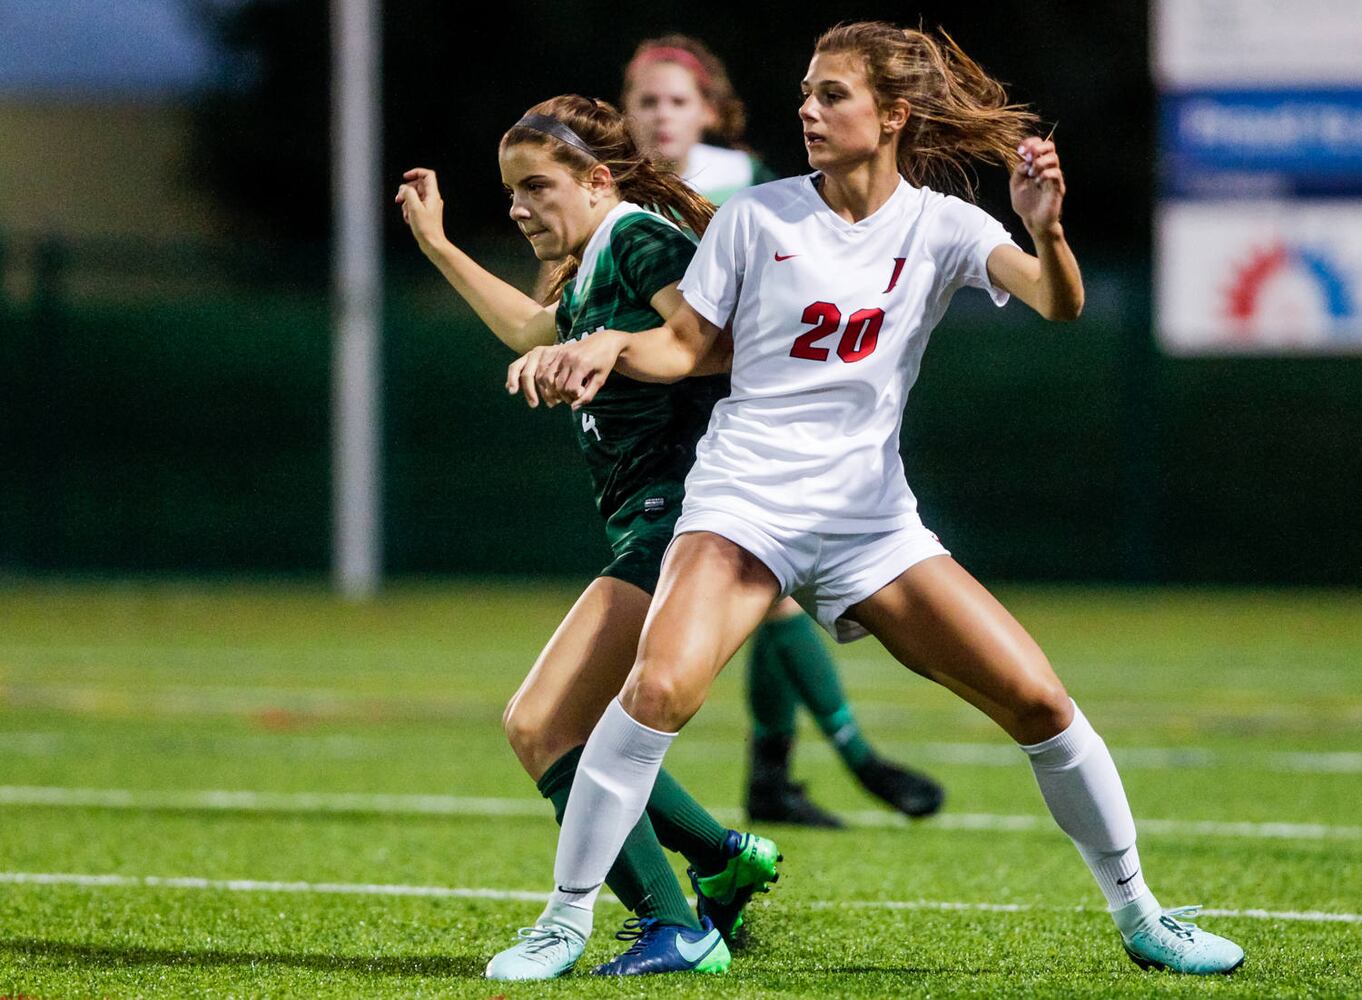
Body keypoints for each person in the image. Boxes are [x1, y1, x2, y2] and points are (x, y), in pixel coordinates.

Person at [500, 22, 1247, 977]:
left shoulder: (942, 224)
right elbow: (688, 347)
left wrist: (1046, 230)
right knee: (656, 694)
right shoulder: (756, 217)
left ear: (892, 115)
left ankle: (1144, 916)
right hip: (745, 506)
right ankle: (565, 921)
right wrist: (608, 344)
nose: (806, 109)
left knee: (1042, 703)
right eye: (806, 92)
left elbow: (1060, 303)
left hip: (871, 523)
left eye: (832, 95)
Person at [394, 94, 781, 981]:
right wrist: (440, 245)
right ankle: (720, 857)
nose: (522, 208)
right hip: (646, 517)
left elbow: (721, 342)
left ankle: (677, 927)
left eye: (537, 187)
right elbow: (535, 328)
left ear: (597, 180)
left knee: (542, 722)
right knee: (577, 727)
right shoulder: (593, 255)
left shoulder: (640, 238)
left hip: (685, 515)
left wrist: (608, 344)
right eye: (510, 194)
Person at [622, 32, 944, 828]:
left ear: (711, 111)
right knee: (762, 604)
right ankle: (786, 772)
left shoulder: (746, 189)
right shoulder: (613, 193)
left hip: (737, 419)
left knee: (763, 601)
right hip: (649, 417)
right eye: (644, 101)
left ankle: (802, 771)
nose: (661, 117)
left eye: (677, 100)